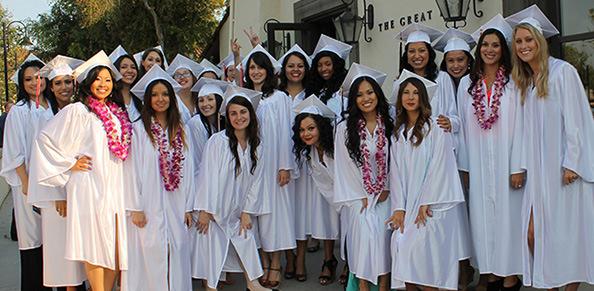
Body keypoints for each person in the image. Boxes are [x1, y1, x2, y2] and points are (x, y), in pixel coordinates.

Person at [507, 5, 594, 290]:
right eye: (519, 41)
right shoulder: (527, 82)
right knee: (533, 236)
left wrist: (573, 162)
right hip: (539, 175)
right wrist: (519, 167)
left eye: (529, 40)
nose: (523, 46)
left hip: (562, 171)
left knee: (565, 238)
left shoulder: (562, 72)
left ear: (540, 42)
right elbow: (523, 131)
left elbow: (578, 120)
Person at [32, 51, 131, 291]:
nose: (103, 84)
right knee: (94, 246)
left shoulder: (115, 112)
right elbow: (44, 140)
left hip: (114, 188)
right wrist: (69, 164)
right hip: (89, 188)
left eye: (108, 79)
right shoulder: (77, 111)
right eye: (98, 79)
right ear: (87, 82)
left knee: (112, 250)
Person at [457, 14, 524, 291]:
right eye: (486, 44)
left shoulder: (513, 82)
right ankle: (490, 272)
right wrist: (465, 166)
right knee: (483, 220)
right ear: (479, 48)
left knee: (509, 218)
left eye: (496, 45)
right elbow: (461, 127)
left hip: (507, 161)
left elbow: (522, 125)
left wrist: (518, 165)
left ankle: (510, 275)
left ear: (503, 49)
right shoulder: (466, 85)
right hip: (479, 162)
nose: (490, 49)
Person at [388, 73, 469, 291]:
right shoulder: (397, 134)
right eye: (406, 92)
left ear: (423, 98)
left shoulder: (435, 128)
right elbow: (394, 174)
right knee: (402, 247)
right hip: (409, 205)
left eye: (416, 93)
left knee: (426, 261)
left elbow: (440, 165)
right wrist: (399, 208)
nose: (411, 97)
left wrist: (427, 200)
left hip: (433, 204)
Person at [193, 85, 276, 291]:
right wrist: (205, 209)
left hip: (239, 208)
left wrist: (248, 211)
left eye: (243, 112)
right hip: (215, 206)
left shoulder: (258, 144)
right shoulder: (217, 141)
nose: (239, 117)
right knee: (213, 246)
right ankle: (211, 286)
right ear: (227, 117)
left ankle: (253, 283)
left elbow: (258, 182)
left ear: (251, 114)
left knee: (245, 237)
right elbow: (207, 176)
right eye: (233, 113)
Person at [123, 65, 195, 291]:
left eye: (165, 94)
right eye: (154, 94)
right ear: (147, 99)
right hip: (148, 203)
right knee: (150, 253)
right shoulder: (137, 130)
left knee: (178, 249)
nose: (160, 99)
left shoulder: (181, 129)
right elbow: (130, 170)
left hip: (176, 202)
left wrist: (189, 206)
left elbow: (190, 169)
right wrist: (135, 206)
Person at [28, 55, 87, 291]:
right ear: (50, 87)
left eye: (68, 82)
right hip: (56, 194)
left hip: (81, 189)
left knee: (80, 254)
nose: (64, 87)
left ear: (74, 84)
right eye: (58, 83)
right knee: (63, 260)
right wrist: (59, 194)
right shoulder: (44, 115)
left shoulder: (81, 110)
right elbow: (42, 154)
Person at [334, 63, 394, 291]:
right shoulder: (344, 129)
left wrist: (386, 187)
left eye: (370, 92)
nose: (366, 98)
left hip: (387, 195)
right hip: (358, 196)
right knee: (361, 245)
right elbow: (344, 165)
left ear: (377, 94)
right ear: (353, 100)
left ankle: (384, 287)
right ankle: (362, 288)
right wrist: (361, 195)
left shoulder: (389, 124)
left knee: (383, 244)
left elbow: (395, 161)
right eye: (359, 94)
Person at [241, 44, 296, 288]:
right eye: (251, 68)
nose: (255, 72)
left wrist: (285, 165)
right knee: (255, 215)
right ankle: (262, 262)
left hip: (274, 164)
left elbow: (286, 133)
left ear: (268, 70)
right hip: (252, 166)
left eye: (260, 67)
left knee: (275, 216)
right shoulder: (244, 97)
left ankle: (275, 263)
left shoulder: (280, 98)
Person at [0, 54, 52, 291]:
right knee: (33, 243)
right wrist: (27, 184)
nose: (34, 83)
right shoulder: (19, 111)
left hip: (54, 187)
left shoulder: (53, 107)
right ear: (22, 83)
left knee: (54, 243)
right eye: (29, 79)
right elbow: (14, 153)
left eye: (39, 77)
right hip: (29, 186)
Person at [432, 27, 477, 290]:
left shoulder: (474, 83)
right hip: (452, 157)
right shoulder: (441, 82)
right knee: (457, 213)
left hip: (475, 155)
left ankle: (471, 265)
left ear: (469, 61)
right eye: (451, 60)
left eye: (461, 60)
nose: (456, 65)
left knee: (473, 213)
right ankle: (461, 265)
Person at [290, 94, 341, 285]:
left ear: (321, 127)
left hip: (350, 196)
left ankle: (347, 267)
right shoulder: (309, 151)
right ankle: (332, 262)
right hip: (332, 195)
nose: (306, 133)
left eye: (311, 128)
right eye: (302, 130)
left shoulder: (336, 147)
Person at [395, 24, 459, 137]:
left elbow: (454, 114)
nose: (417, 56)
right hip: (410, 140)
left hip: (438, 138)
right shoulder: (400, 82)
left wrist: (450, 122)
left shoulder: (442, 78)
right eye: (411, 51)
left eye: (422, 50)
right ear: (406, 55)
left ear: (429, 53)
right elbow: (396, 116)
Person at [306, 34, 351, 118]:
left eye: (328, 64)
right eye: (319, 65)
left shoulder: (346, 88)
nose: (323, 69)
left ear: (336, 65)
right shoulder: (316, 89)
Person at [166, 54, 204, 123]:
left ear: (193, 77)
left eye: (186, 73)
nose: (182, 77)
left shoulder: (200, 98)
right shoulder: (171, 101)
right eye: (177, 75)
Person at [109, 45, 143, 122]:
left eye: (133, 67)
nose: (130, 71)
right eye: (124, 67)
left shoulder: (140, 99)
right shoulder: (109, 98)